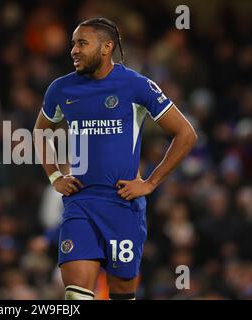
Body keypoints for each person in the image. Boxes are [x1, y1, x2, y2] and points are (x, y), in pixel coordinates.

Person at [33, 17, 197, 300]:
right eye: (73, 44)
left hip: (123, 206)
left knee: (122, 294)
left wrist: (151, 182)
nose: (74, 50)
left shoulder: (136, 85)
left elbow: (185, 133)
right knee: (76, 295)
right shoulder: (61, 88)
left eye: (82, 43)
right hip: (80, 203)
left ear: (107, 47)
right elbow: (40, 132)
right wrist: (55, 176)